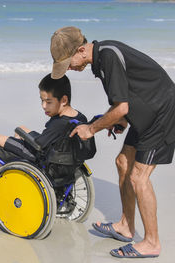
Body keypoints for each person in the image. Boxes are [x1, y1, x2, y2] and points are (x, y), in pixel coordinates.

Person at [50, 26, 175, 258]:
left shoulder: (108, 56)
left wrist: (92, 128)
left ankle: (151, 242)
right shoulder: (100, 59)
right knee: (122, 163)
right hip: (146, 111)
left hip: (161, 113)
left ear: (80, 50)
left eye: (68, 63)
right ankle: (126, 226)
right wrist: (120, 120)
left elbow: (121, 107)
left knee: (139, 177)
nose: (70, 69)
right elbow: (128, 97)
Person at [0, 73, 87, 186]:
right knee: (21, 129)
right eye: (41, 100)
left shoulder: (58, 124)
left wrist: (18, 141)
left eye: (48, 102)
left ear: (63, 100)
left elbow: (38, 145)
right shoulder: (79, 117)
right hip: (61, 157)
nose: (44, 106)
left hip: (44, 158)